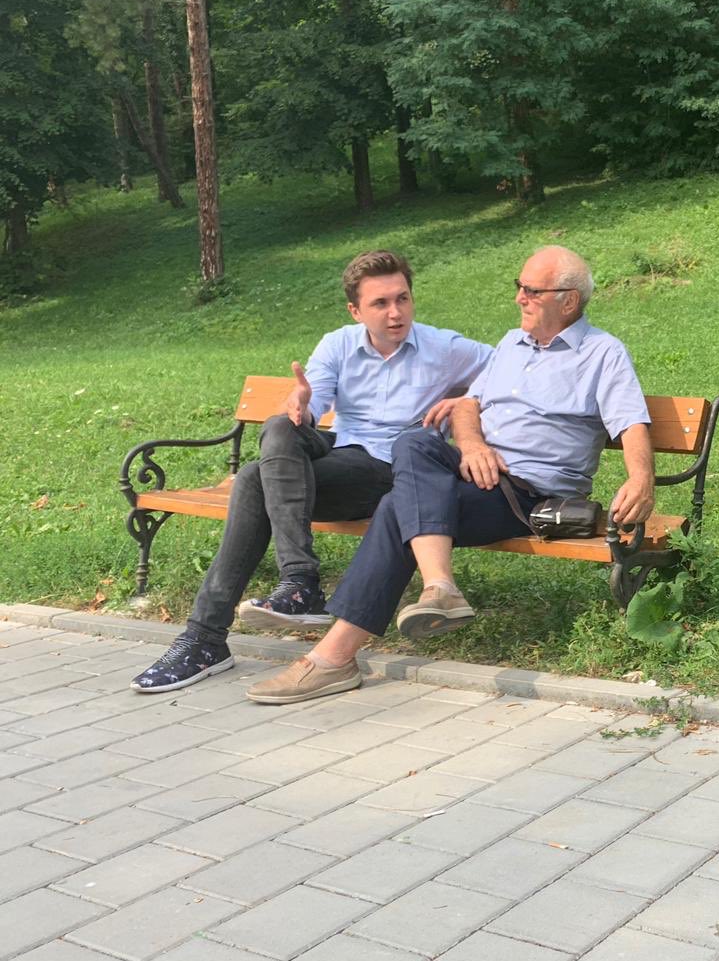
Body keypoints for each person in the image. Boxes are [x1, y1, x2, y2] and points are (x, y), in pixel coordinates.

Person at [244, 245, 656, 706]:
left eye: (531, 291)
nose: (519, 298)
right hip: (475, 472)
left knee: (396, 506)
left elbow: (631, 423)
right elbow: (469, 405)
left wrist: (641, 479)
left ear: (568, 301)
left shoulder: (602, 353)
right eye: (518, 287)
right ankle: (439, 588)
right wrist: (474, 443)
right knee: (413, 442)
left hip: (529, 493)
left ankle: (333, 658)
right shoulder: (510, 345)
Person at [131, 250, 492, 694]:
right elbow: (313, 398)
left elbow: (511, 373)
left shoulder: (446, 348)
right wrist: (302, 403)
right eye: (380, 304)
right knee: (279, 428)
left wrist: (464, 404)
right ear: (355, 310)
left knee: (250, 479)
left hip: (390, 467)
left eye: (402, 299)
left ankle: (206, 637)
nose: (395, 313)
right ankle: (298, 583)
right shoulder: (338, 343)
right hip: (338, 450)